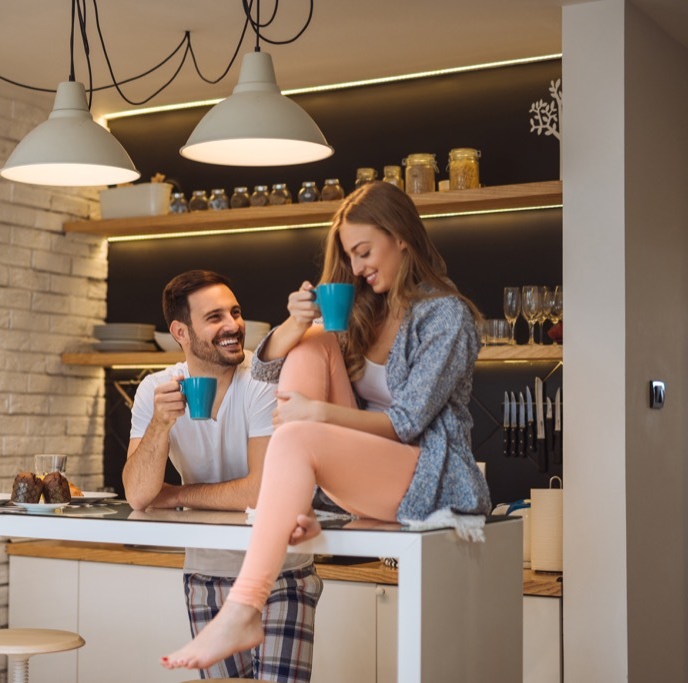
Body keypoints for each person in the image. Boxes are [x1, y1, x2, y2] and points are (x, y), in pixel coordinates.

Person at [161, 181, 492, 671]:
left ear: (401, 236)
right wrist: (295, 325)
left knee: (296, 432)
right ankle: (283, 524)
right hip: (369, 475)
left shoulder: (446, 316)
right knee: (315, 339)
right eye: (350, 257)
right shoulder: (367, 310)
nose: (357, 268)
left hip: (429, 474)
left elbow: (408, 422)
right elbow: (269, 374)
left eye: (364, 252)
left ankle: (244, 606)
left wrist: (318, 416)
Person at [123, 269, 323, 682]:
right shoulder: (156, 390)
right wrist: (160, 425)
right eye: (214, 317)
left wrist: (177, 494)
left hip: (282, 576)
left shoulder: (263, 379)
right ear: (181, 331)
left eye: (235, 312)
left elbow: (262, 491)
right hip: (206, 572)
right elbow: (139, 495)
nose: (233, 325)